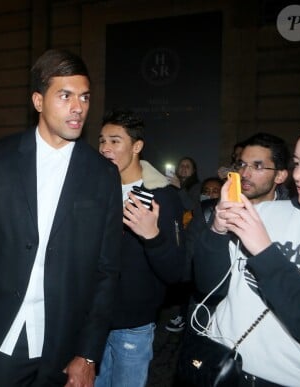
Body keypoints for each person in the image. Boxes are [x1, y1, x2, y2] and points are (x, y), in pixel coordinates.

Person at [0, 48, 122, 386]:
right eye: (65, 96)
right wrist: (4, 286)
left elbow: (107, 270)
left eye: (84, 97)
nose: (78, 107)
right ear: (38, 101)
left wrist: (88, 352)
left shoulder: (102, 175)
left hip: (64, 345)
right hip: (4, 332)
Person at [190, 121, 300, 385]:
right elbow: (208, 285)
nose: (299, 175)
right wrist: (217, 229)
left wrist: (264, 252)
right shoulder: (262, 213)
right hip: (219, 364)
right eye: (298, 162)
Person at [95, 108, 185, 387]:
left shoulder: (162, 197)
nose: (105, 148)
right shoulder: (95, 190)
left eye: (114, 140)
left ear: (137, 146)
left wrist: (152, 236)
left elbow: (176, 271)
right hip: (92, 323)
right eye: (101, 141)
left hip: (133, 326)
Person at [168, 132, 292, 333]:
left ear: (280, 175)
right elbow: (186, 271)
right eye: (241, 164)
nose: (245, 173)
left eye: (257, 166)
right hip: (213, 330)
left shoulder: (292, 220)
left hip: (271, 334)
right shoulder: (210, 212)